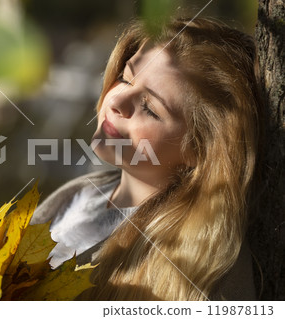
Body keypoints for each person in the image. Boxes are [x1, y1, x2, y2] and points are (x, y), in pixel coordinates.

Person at [30, 17, 264, 301]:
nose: (116, 102)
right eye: (125, 78)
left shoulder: (201, 268)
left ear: (200, 150)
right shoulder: (77, 195)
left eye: (150, 109)